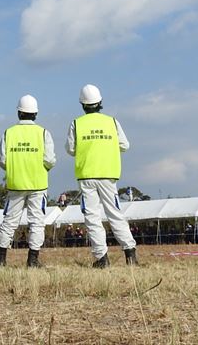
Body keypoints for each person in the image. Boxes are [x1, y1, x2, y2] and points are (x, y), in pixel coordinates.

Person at [66, 84, 138, 267]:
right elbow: (125, 145)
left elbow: (70, 149)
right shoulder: (112, 122)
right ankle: (130, 254)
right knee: (115, 213)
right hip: (108, 174)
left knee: (92, 217)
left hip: (87, 176)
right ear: (100, 102)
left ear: (82, 105)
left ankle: (102, 258)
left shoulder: (76, 123)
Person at [0, 94, 56, 268]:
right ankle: (33, 260)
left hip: (15, 184)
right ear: (35, 114)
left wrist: (14, 168)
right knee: (36, 222)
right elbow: (50, 160)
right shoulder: (43, 133)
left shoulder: (9, 133)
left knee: (9, 221)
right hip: (38, 184)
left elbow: (1, 159)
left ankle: (1, 259)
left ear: (19, 113)